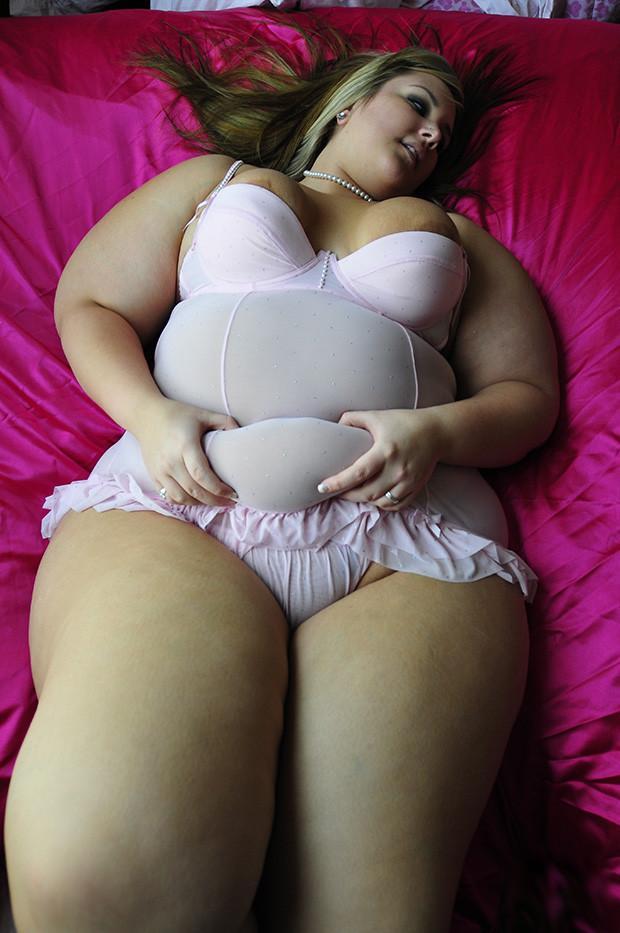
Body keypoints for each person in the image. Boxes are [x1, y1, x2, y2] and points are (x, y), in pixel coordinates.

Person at [4, 25, 558, 933]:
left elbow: (528, 398)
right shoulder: (216, 182)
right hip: (179, 517)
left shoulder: (460, 240)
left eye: (446, 133)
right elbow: (90, 301)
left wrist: (435, 432)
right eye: (418, 103)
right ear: (350, 99)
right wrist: (151, 414)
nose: (432, 134)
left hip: (407, 553)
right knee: (97, 882)